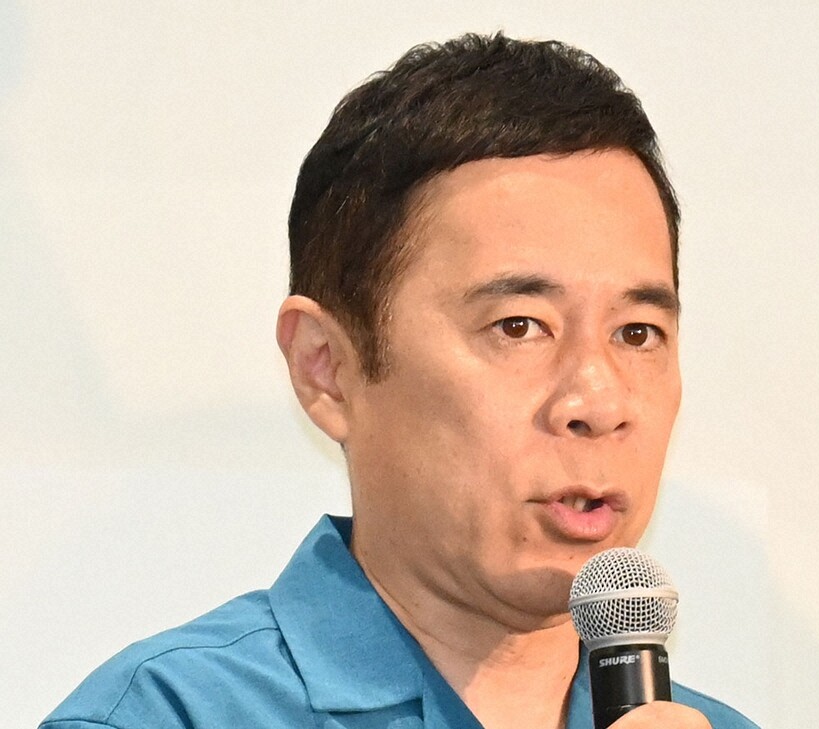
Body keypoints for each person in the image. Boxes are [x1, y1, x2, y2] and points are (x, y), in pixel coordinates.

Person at [41, 33, 759, 729]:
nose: (599, 402)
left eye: (638, 333)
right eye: (518, 326)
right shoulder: (168, 715)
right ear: (327, 369)